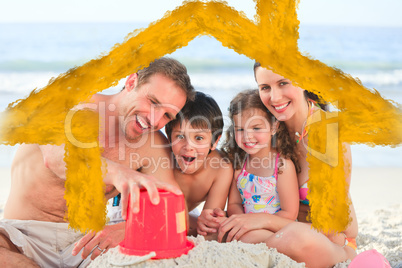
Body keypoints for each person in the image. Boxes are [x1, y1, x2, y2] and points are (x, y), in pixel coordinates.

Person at [0, 57, 195, 267]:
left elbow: (176, 213)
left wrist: (129, 229)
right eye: (153, 102)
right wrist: (118, 172)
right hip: (20, 237)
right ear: (131, 82)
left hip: (88, 244)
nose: (156, 120)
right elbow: (57, 159)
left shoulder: (153, 145)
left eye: (167, 115)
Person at [218, 63, 358, 268]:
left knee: (294, 238)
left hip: (331, 241)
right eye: (265, 87)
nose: (274, 97)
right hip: (278, 232)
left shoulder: (329, 133)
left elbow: (330, 226)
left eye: (283, 83)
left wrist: (261, 221)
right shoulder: (266, 126)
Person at [216, 89, 299, 243]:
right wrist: (240, 220)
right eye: (240, 129)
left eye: (256, 128)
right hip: (245, 226)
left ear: (274, 127)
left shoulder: (282, 166)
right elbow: (234, 203)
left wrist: (256, 223)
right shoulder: (240, 164)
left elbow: (289, 214)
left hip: (274, 229)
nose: (247, 136)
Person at [164, 91, 233, 237]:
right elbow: (158, 214)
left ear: (214, 141)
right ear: (169, 137)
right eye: (180, 136)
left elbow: (209, 223)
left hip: (186, 214)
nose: (189, 146)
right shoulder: (162, 159)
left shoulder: (221, 168)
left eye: (199, 138)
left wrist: (206, 221)